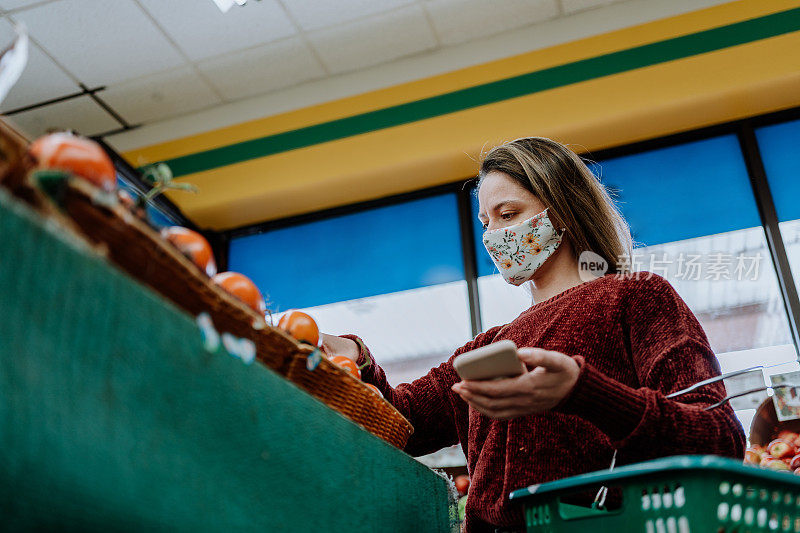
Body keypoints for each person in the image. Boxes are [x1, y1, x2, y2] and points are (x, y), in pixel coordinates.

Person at [320, 137, 746, 533]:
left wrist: (583, 392)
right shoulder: (488, 348)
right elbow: (402, 421)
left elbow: (717, 438)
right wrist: (354, 356)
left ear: (563, 207)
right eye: (486, 222)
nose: (494, 236)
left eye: (509, 215)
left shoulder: (636, 297)